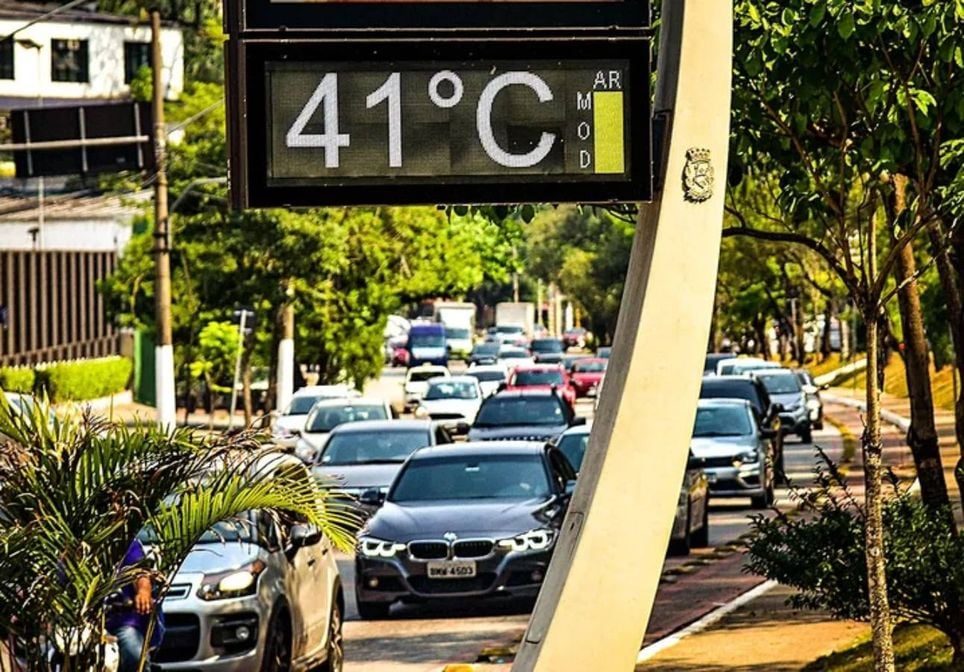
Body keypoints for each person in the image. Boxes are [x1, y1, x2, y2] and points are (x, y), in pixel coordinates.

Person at [107, 539, 165, 672]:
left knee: (133, 654)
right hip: (85, 626)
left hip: (121, 622)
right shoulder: (76, 543)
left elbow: (140, 571)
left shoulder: (124, 541)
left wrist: (143, 591)